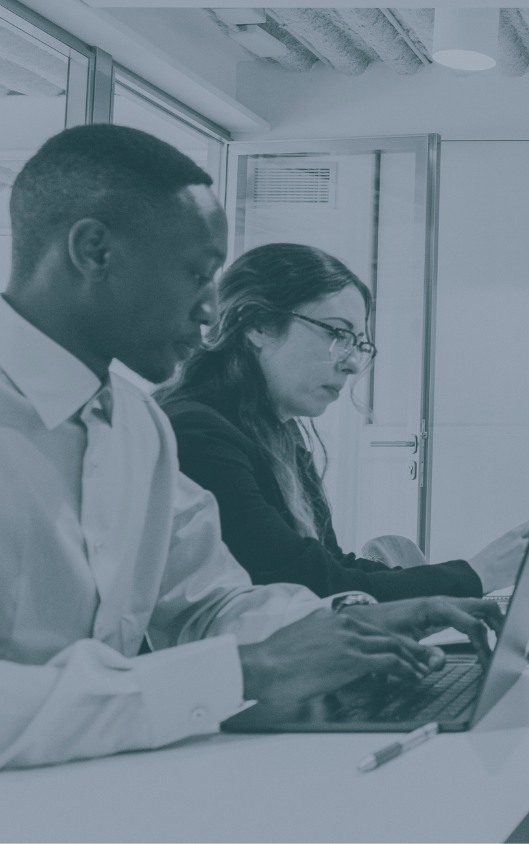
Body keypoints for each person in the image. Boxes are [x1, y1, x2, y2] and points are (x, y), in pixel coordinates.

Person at [0, 124, 502, 770]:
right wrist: (241, 673)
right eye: (197, 275)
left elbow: (213, 602)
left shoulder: (135, 426)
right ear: (95, 251)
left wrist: (350, 624)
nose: (213, 313)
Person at [155, 243, 529, 601]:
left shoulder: (278, 431)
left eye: (358, 345)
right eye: (337, 334)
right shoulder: (198, 435)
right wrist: (475, 575)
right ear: (258, 325)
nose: (351, 363)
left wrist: (462, 585)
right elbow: (311, 588)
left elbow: (330, 566)